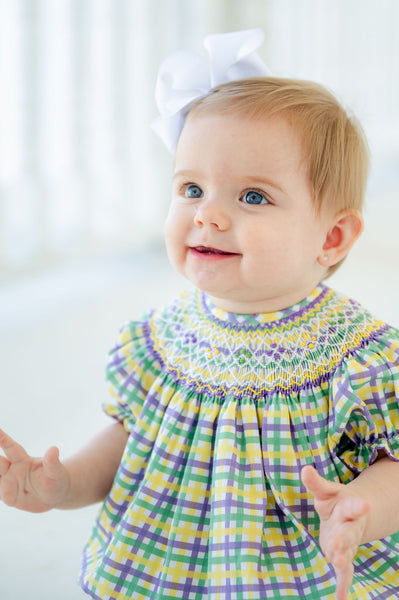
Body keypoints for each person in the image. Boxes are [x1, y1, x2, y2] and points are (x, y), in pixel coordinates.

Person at [0, 29, 399, 600]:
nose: (207, 216)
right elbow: (129, 441)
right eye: (191, 188)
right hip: (170, 573)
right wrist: (63, 485)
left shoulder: (359, 360)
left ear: (332, 236)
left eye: (252, 196)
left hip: (298, 575)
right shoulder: (160, 340)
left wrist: (364, 509)